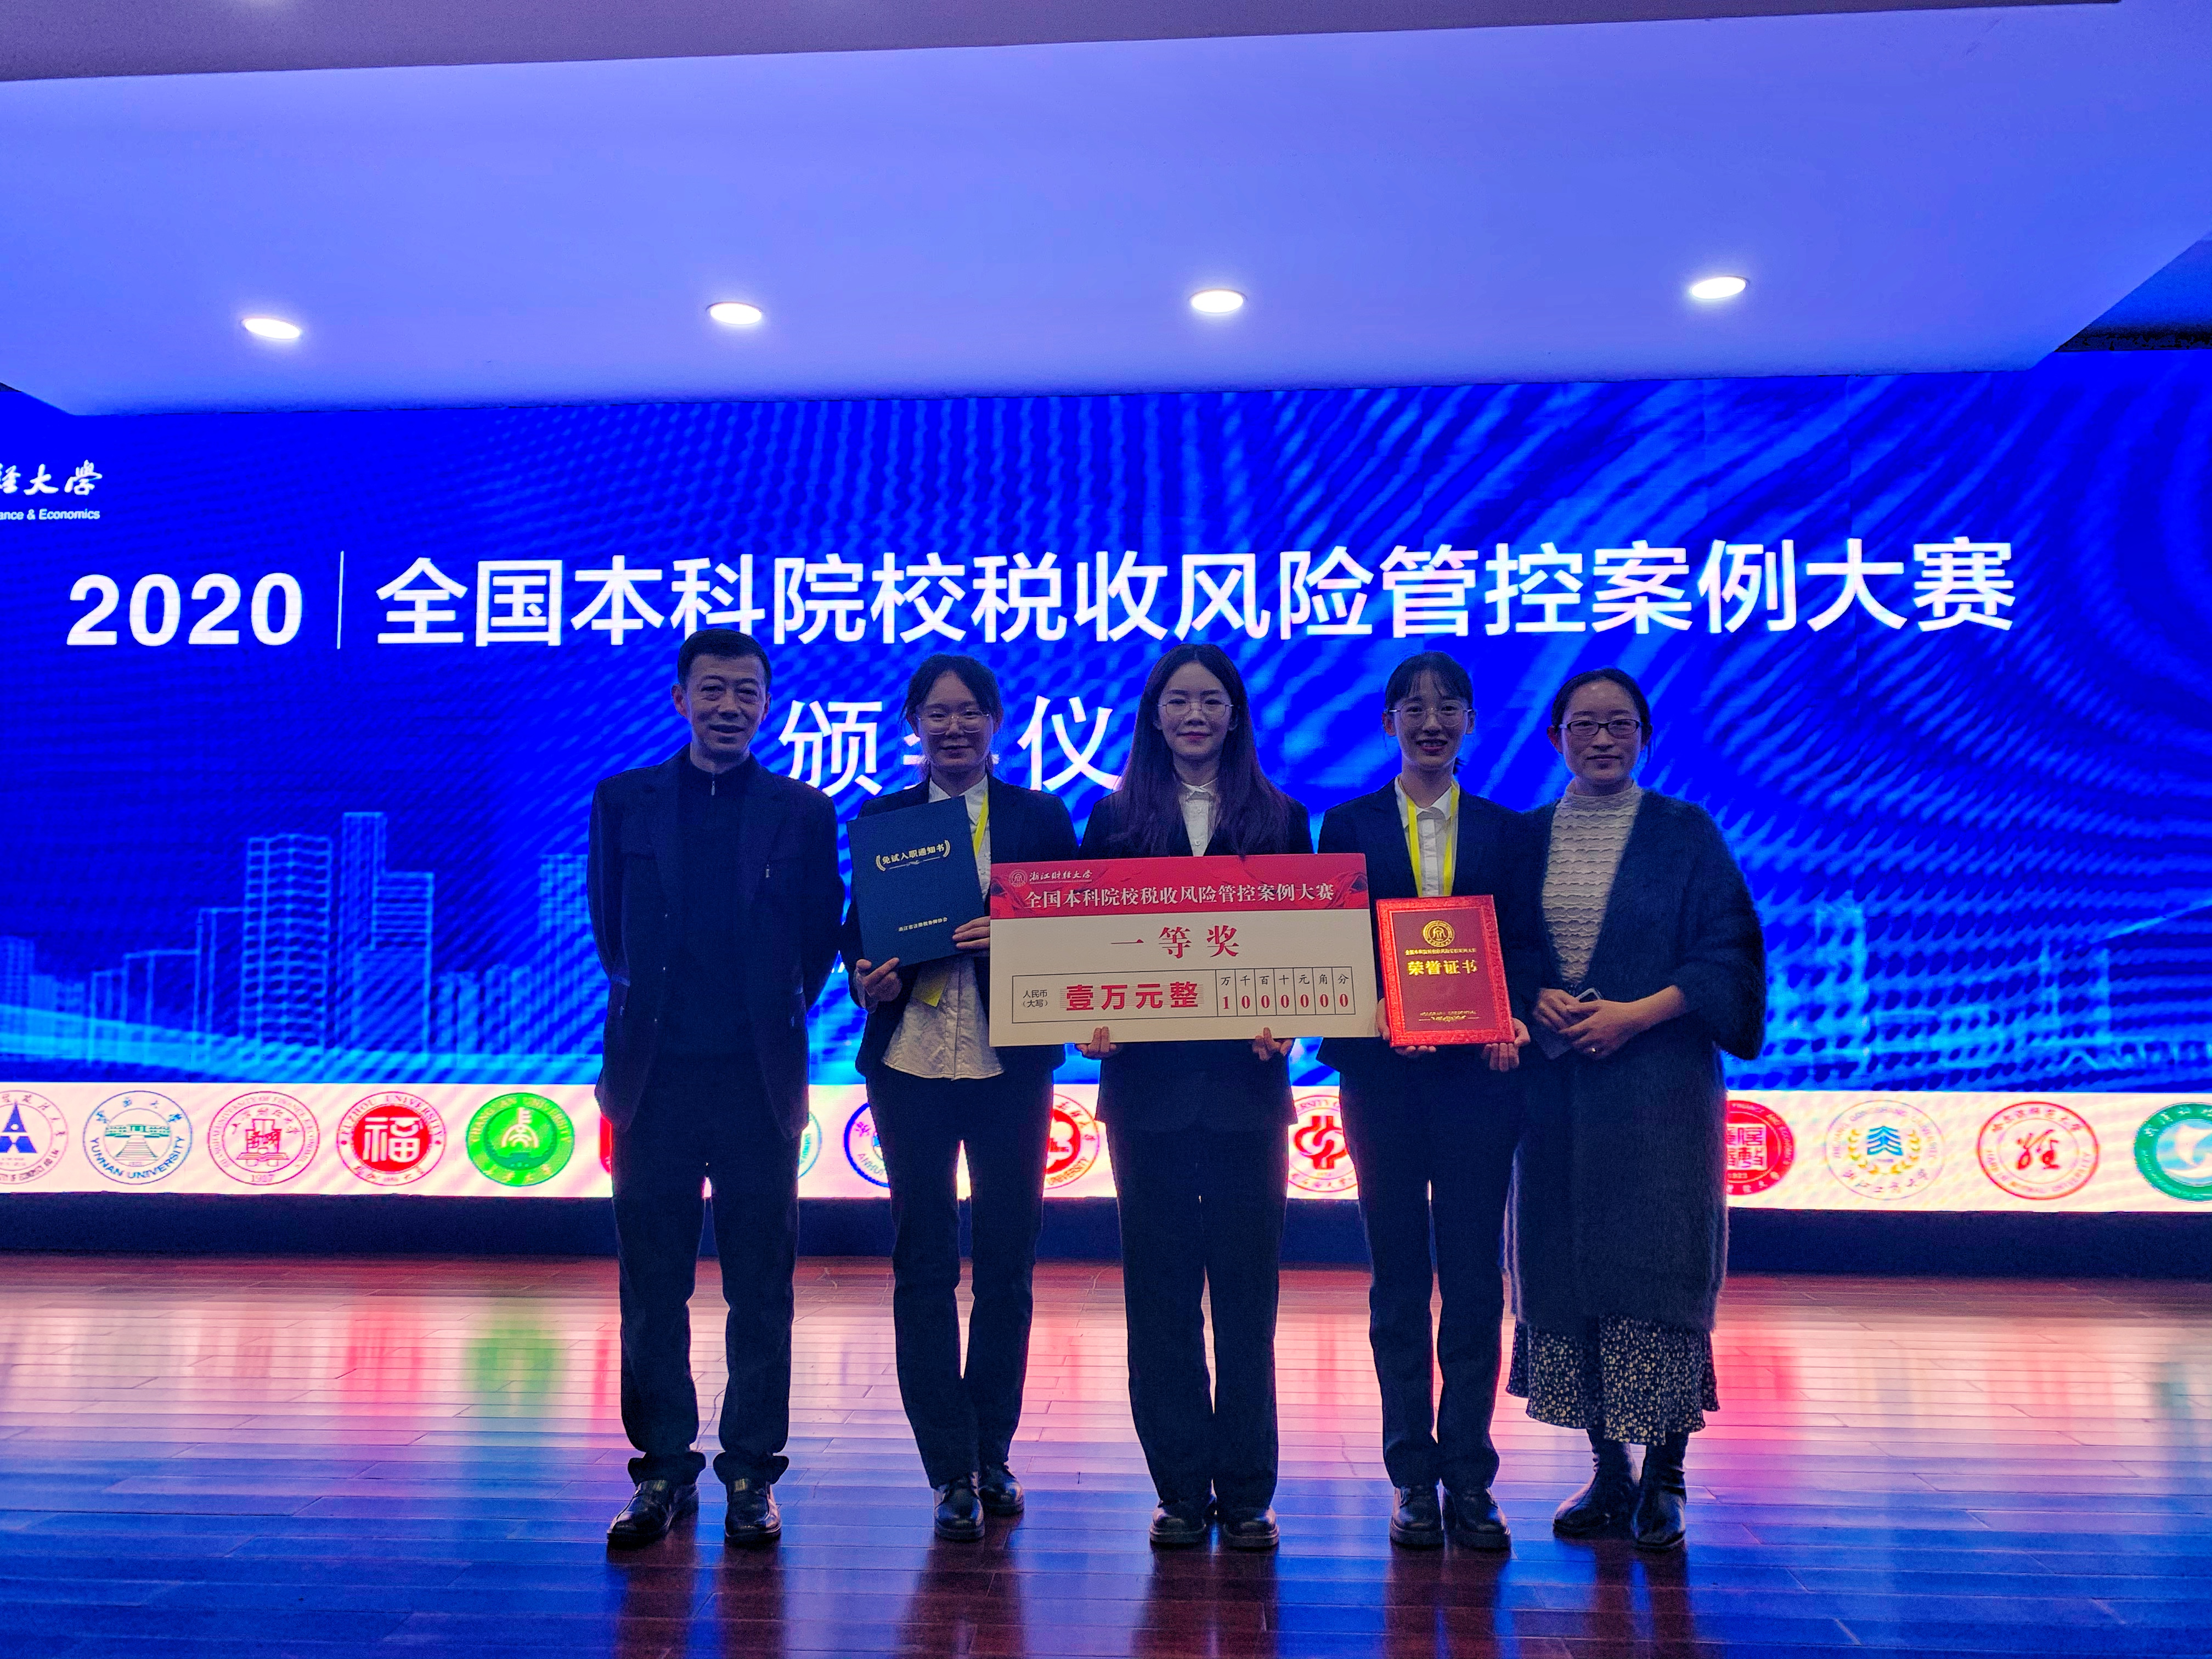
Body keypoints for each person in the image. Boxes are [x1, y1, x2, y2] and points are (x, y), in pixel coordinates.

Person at [588, 627, 843, 1549]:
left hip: (757, 1084)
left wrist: (764, 1020)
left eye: (746, 692)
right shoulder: (624, 800)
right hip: (652, 1082)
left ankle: (750, 1473)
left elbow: (816, 943)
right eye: (712, 689)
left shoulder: (802, 811)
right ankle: (662, 1468)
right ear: (680, 698)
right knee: (652, 1286)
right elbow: (610, 932)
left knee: (760, 1287)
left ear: (768, 706)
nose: (729, 707)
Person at [1505, 667, 1765, 1551]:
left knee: (1655, 1269)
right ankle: (1608, 1471)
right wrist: (1533, 994)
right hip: (1556, 1092)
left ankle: (1666, 1473)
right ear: (1555, 739)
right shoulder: (1524, 837)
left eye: (1620, 724)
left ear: (1646, 737)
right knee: (1569, 1272)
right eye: (1583, 725)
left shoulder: (1686, 833)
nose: (1603, 739)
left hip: (1658, 1090)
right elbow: (1499, 946)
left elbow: (1729, 956)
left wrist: (1636, 1015)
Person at [1077, 642, 1312, 1551]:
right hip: (1147, 1094)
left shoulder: (1282, 817)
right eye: (1177, 701)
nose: (1194, 716)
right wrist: (1085, 1016)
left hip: (1249, 1091)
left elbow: (1309, 945)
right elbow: (1081, 946)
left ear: (1236, 715)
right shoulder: (1113, 818)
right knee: (1161, 1299)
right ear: (1154, 715)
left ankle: (1248, 1492)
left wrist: (1292, 1017)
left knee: (1250, 1301)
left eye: (1211, 700)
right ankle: (1179, 1489)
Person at [843, 654, 1080, 1541]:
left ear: (997, 722)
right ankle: (947, 1466)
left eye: (970, 712)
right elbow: (858, 933)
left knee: (1008, 1265)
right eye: (936, 713)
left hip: (1009, 1064)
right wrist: (863, 975)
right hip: (909, 1058)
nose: (954, 728)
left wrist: (1013, 935)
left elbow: (1076, 931)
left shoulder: (1039, 817)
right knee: (924, 1262)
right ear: (913, 723)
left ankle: (993, 1450)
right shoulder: (887, 819)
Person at [1317, 651, 1541, 1552]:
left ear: (1472, 723)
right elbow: (1332, 943)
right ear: (1388, 724)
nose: (1431, 722)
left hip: (1480, 1081)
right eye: (1413, 708)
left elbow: (1525, 945)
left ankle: (1471, 1475)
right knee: (1400, 1278)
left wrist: (1511, 1013)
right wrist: (1375, 1012)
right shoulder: (1348, 825)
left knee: (1477, 1278)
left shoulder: (1507, 830)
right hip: (1382, 1080)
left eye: (1449, 707)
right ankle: (1412, 1474)